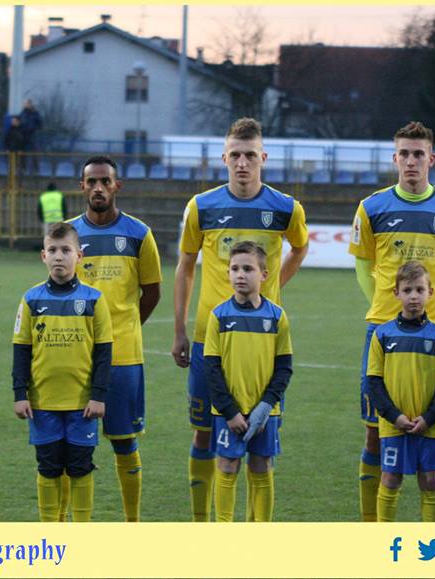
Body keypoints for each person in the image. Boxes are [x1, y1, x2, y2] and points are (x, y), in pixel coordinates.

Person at [172, 117, 309, 522]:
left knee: (260, 440)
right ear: (224, 158)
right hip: (209, 339)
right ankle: (203, 524)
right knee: (204, 433)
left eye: (250, 155)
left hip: (261, 343)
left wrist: (271, 287)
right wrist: (179, 330)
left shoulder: (286, 208)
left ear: (263, 157)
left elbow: (300, 249)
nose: (242, 163)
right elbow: (185, 266)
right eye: (235, 155)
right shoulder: (202, 207)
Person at [349, 121, 435, 522]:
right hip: (382, 330)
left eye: (418, 153)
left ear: (431, 159)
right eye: (404, 153)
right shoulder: (372, 208)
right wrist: (387, 309)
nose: (411, 161)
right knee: (374, 430)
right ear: (394, 158)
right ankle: (372, 527)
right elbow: (363, 263)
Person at [66, 156, 161, 522]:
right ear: (82, 186)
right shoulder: (69, 235)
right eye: (91, 181)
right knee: (73, 445)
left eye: (105, 181)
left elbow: (151, 293)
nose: (98, 188)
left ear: (117, 185)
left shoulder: (139, 234)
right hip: (76, 357)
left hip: (123, 356)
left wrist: (125, 327)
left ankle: (131, 523)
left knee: (124, 441)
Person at [12, 222, 113, 521]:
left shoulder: (94, 299)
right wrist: (20, 394)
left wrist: (98, 396)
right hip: (43, 402)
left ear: (79, 256)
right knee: (49, 467)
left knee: (80, 466)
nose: (59, 256)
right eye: (53, 250)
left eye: (66, 250)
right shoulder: (31, 299)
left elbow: (104, 353)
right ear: (43, 255)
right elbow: (21, 350)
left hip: (82, 403)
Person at [205, 241, 293, 522]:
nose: (240, 274)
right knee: (227, 464)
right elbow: (212, 369)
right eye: (234, 269)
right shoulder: (218, 316)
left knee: (261, 465)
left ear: (264, 275)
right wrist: (230, 411)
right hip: (228, 412)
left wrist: (265, 407)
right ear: (228, 274)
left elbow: (284, 368)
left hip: (265, 412)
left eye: (248, 269)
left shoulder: (276, 317)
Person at [367, 261, 435, 522]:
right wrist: (395, 416)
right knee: (391, 478)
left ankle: (431, 538)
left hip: (429, 425)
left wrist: (429, 418)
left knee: (429, 480)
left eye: (419, 289)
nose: (414, 296)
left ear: (430, 292)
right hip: (394, 424)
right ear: (396, 293)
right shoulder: (382, 334)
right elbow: (374, 382)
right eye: (407, 290)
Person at [19, 99, 43, 174]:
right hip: (24, 134)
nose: (25, 105)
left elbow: (40, 123)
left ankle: (36, 170)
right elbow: (20, 123)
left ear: (30, 104)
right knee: (22, 152)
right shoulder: (22, 113)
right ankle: (23, 168)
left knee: (35, 152)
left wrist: (35, 128)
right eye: (24, 104)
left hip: (33, 134)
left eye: (27, 103)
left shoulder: (35, 113)